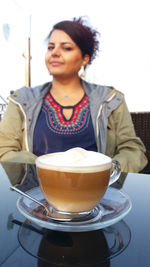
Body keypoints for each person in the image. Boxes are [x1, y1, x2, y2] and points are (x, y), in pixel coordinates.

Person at [0, 17, 147, 172]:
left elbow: (133, 150)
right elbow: (4, 150)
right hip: (36, 192)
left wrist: (106, 172)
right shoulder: (22, 100)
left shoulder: (110, 100)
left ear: (85, 58)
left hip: (96, 192)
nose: (55, 53)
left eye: (67, 48)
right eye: (50, 47)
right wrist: (40, 168)